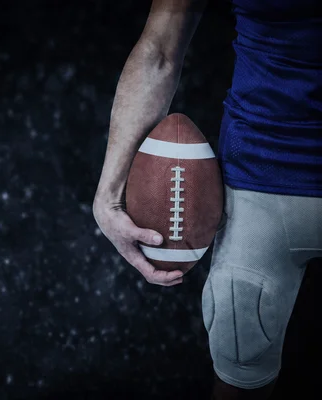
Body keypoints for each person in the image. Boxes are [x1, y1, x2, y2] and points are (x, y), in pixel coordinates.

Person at [92, 0, 322, 398]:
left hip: (261, 172)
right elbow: (161, 49)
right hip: (262, 183)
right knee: (238, 360)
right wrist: (108, 196)